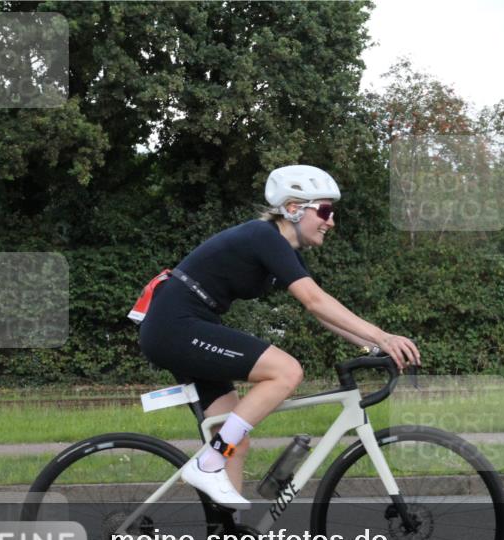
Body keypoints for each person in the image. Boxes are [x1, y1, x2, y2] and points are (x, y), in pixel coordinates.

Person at [138, 165, 421, 509]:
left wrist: (374, 345)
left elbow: (318, 310)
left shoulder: (282, 250)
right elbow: (315, 301)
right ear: (292, 209)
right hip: (176, 325)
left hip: (183, 326)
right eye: (326, 211)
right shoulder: (264, 236)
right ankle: (207, 464)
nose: (331, 222)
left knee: (232, 438)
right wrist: (384, 336)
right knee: (286, 371)